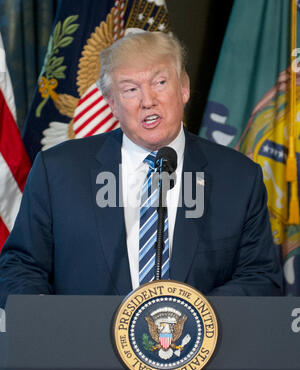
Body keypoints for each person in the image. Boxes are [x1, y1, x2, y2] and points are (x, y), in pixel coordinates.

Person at [0, 32, 282, 308]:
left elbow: (261, 278)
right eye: (130, 89)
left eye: (160, 82)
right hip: (84, 348)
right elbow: (20, 266)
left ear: (183, 88)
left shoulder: (239, 177)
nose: (148, 101)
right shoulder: (58, 171)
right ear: (112, 103)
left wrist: (194, 315)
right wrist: (38, 311)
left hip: (199, 348)